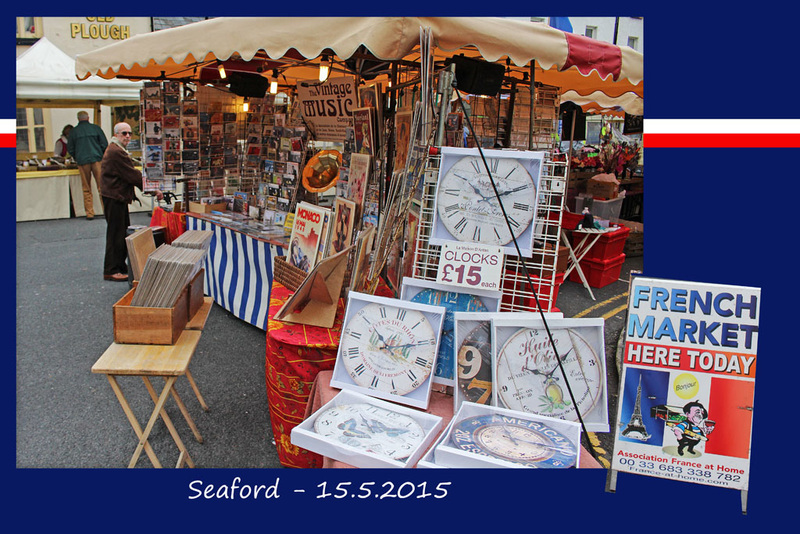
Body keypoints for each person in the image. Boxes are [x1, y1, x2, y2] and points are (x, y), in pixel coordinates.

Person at [100, 122, 162, 282]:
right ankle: (112, 270)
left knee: (120, 232)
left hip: (115, 196)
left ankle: (119, 266)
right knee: (116, 234)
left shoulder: (116, 149)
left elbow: (130, 174)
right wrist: (153, 189)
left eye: (129, 133)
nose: (127, 136)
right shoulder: (116, 151)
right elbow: (132, 175)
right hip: (114, 197)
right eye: (124, 133)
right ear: (116, 134)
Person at [67, 111, 108, 220]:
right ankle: (106, 210)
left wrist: (77, 157)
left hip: (82, 161)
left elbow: (70, 148)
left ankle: (90, 212)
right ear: (88, 117)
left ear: (78, 119)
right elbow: (104, 144)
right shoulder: (96, 128)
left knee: (86, 187)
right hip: (97, 159)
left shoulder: (74, 132)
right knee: (102, 187)